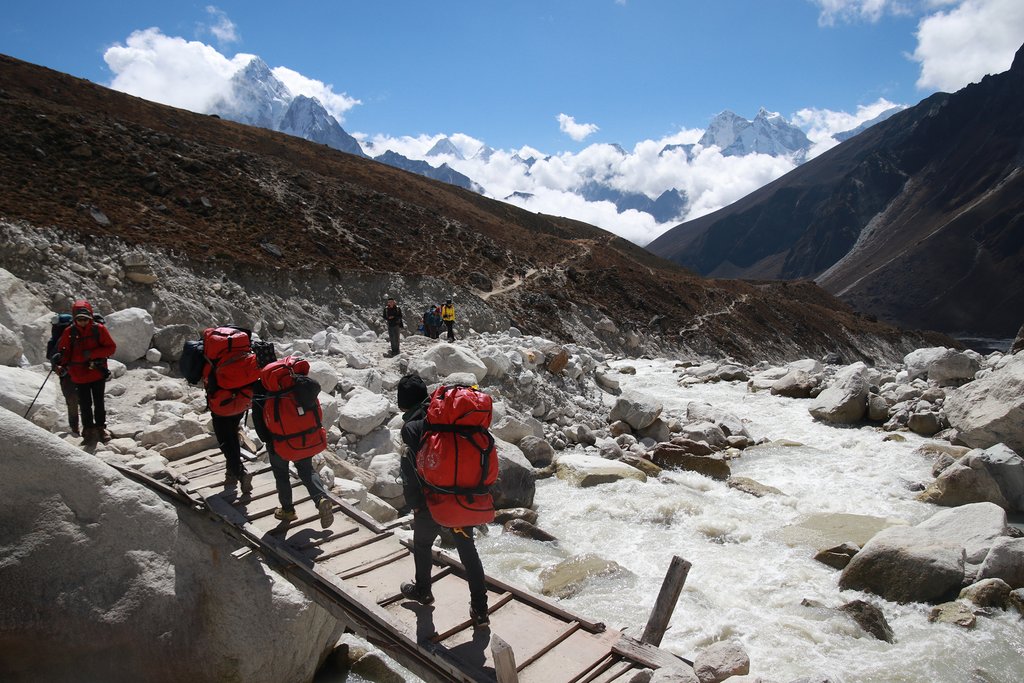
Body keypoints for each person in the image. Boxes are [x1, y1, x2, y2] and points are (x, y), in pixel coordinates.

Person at [396, 374, 490, 627]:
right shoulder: (451, 417)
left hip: (432, 499)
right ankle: (480, 609)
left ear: (403, 404)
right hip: (464, 498)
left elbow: (411, 470)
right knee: (468, 551)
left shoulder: (412, 428)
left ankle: (423, 591)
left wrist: (415, 503)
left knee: (423, 544)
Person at [250, 341, 334, 528]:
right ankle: (320, 499)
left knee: (281, 473)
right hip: (305, 437)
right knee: (306, 469)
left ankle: (288, 510)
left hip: (279, 442)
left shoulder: (261, 387)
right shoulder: (294, 379)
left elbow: (258, 419)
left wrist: (267, 440)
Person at [203, 327, 261, 492]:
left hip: (221, 403)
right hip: (242, 400)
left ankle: (240, 472)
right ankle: (231, 474)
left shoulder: (211, 355)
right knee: (232, 434)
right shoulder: (242, 352)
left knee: (224, 440)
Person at [54, 300, 116, 444]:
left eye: (85, 319)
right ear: (75, 319)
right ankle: (88, 430)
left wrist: (91, 354)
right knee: (85, 404)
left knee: (99, 402)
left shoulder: (98, 329)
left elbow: (110, 348)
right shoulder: (69, 332)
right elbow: (65, 351)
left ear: (90, 317)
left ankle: (100, 428)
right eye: (79, 319)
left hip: (96, 372)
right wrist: (60, 362)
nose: (82, 322)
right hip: (79, 374)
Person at [46, 313, 81, 436]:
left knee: (73, 402)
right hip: (68, 375)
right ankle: (76, 429)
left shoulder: (72, 339)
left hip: (72, 374)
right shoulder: (55, 341)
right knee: (73, 402)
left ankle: (78, 429)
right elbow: (51, 357)